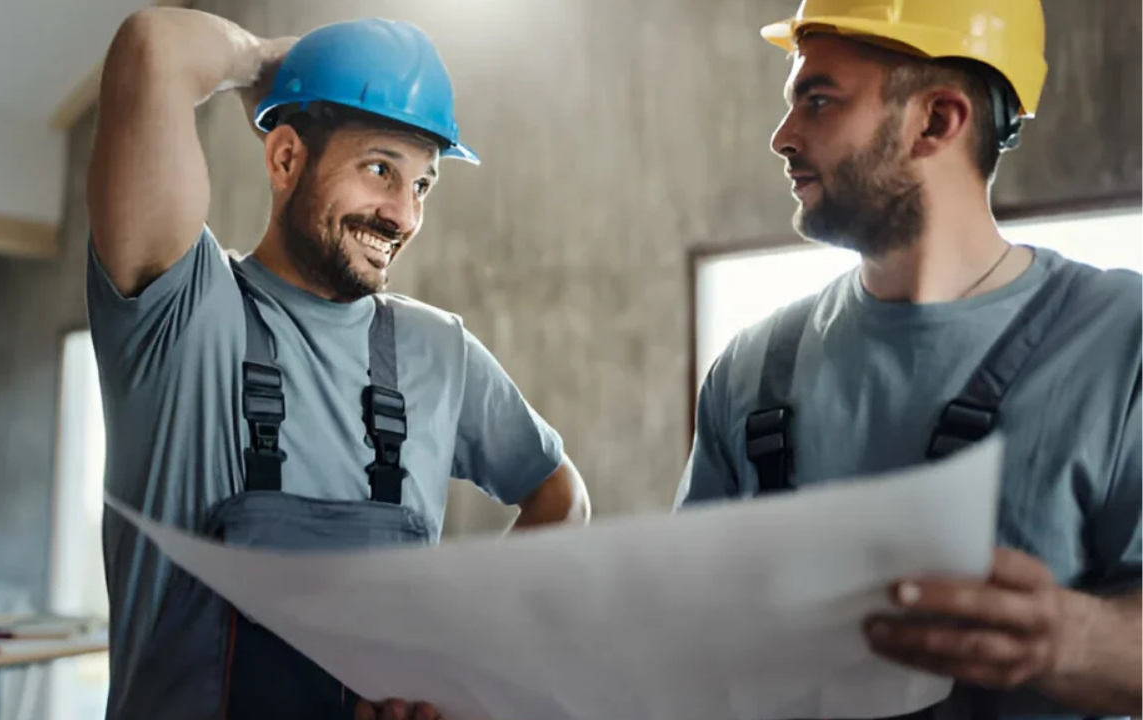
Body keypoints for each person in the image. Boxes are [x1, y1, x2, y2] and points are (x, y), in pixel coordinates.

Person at [85, 8, 591, 720]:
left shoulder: (437, 350)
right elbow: (153, 47)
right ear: (286, 158)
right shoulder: (180, 315)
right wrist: (272, 63)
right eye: (381, 168)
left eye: (423, 184)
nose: (403, 215)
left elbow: (561, 497)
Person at [675, 0, 1140, 716]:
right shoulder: (752, 368)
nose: (782, 136)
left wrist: (1069, 640)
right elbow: (678, 642)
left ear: (936, 120)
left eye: (819, 100)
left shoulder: (1119, 342)